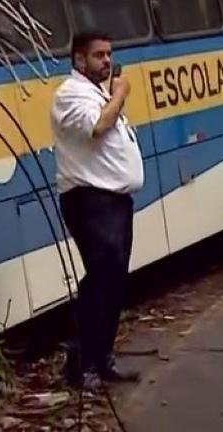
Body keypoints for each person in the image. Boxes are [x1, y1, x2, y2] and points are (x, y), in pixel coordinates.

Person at [50, 30, 144, 390]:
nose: (106, 61)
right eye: (98, 55)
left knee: (114, 282)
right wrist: (120, 93)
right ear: (78, 60)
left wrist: (112, 94)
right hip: (90, 201)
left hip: (115, 201)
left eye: (109, 54)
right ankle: (81, 365)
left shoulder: (96, 93)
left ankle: (102, 359)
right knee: (100, 282)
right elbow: (97, 126)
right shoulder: (70, 94)